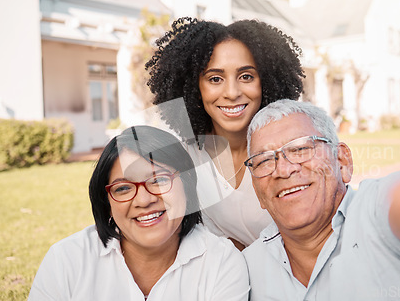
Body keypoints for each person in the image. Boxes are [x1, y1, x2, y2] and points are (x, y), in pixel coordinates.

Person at [242, 98, 400, 300]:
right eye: (263, 161)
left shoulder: (378, 211)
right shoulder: (245, 271)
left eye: (300, 149)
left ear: (342, 161)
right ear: (257, 190)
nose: (284, 170)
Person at [28, 126, 249, 300]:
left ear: (187, 184)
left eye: (160, 180)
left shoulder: (222, 263)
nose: (144, 200)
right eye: (123, 188)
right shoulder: (66, 260)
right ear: (107, 203)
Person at [145, 17, 305, 249]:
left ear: (267, 82)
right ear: (193, 86)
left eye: (246, 76)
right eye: (215, 79)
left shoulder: (294, 150)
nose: (231, 92)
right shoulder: (184, 161)